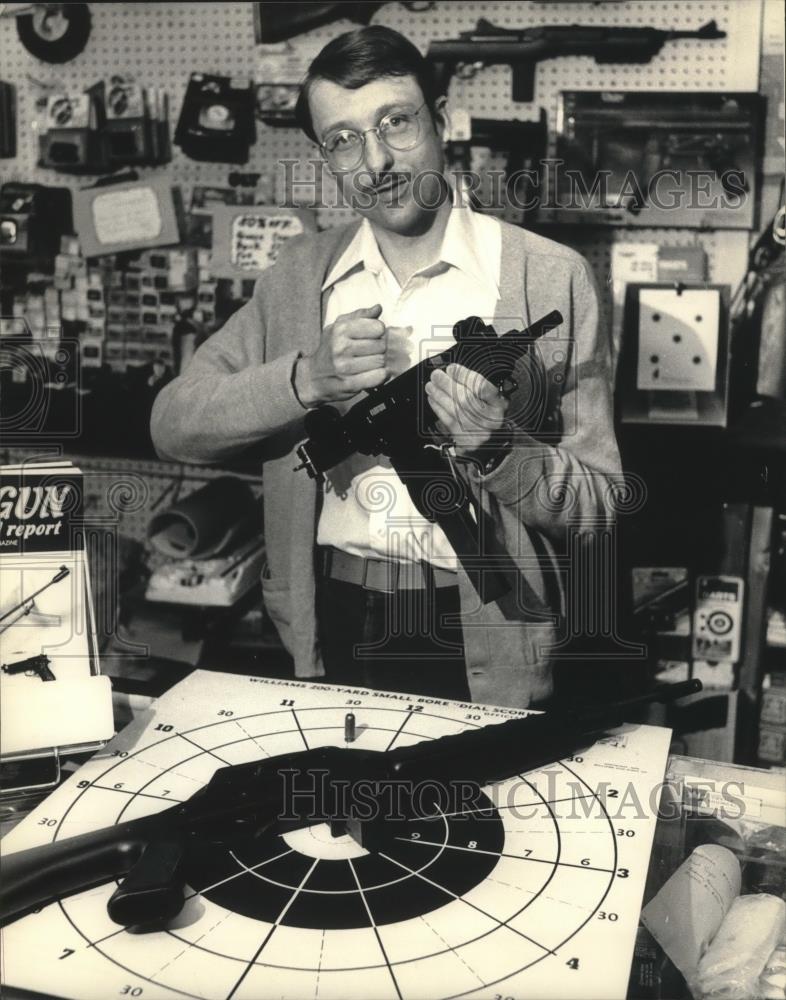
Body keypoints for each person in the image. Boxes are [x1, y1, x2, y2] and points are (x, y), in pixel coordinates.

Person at [150, 26, 621, 708]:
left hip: (484, 632)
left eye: (395, 122)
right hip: (330, 621)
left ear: (442, 120)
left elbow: (601, 507)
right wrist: (302, 380)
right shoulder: (298, 279)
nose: (376, 161)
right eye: (343, 139)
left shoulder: (549, 279)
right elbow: (172, 422)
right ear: (325, 158)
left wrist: (500, 450)